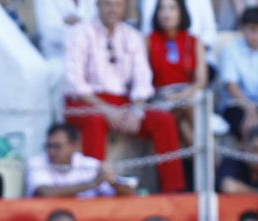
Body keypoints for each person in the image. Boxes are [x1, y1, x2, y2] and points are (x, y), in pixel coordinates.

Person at [63, 0, 185, 194]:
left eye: (118, 5)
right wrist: (105, 108)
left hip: (123, 103)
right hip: (86, 103)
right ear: (98, 5)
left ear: (125, 7)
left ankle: (174, 189)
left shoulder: (133, 36)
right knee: (95, 121)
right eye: (108, 4)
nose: (113, 9)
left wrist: (136, 110)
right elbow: (75, 81)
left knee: (164, 120)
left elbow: (142, 79)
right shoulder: (80, 32)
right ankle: (95, 189)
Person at [216, 5, 258, 140]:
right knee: (248, 126)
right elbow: (231, 86)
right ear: (242, 28)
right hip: (236, 105)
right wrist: (249, 108)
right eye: (253, 30)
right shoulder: (231, 50)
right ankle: (248, 159)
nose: (257, 35)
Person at [146, 0, 206, 151]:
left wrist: (182, 95)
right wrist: (169, 97)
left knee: (183, 122)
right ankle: (209, 161)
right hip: (162, 96)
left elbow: (201, 80)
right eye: (162, 9)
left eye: (172, 8)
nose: (166, 13)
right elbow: (144, 79)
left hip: (187, 94)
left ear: (181, 12)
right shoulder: (148, 41)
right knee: (183, 113)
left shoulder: (193, 41)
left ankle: (198, 157)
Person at [26, 121, 133, 198]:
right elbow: (44, 193)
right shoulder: (36, 163)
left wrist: (114, 182)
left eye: (57, 146)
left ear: (74, 146)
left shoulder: (90, 165)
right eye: (48, 146)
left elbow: (129, 194)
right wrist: (91, 184)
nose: (51, 152)